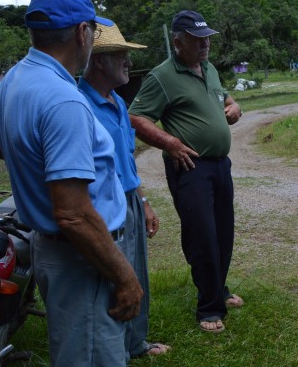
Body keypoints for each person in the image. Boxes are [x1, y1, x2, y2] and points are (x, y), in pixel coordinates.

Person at [0, 0, 142, 366]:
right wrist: (125, 278)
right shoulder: (64, 100)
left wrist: (30, 158)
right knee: (92, 356)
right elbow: (74, 214)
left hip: (57, 249)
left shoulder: (18, 78)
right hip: (82, 257)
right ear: (83, 33)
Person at [128, 10, 243, 333]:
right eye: (197, 39)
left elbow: (225, 98)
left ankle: (217, 289)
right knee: (201, 235)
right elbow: (136, 118)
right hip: (190, 166)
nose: (205, 43)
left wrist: (234, 107)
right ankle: (209, 309)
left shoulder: (208, 68)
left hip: (221, 164)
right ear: (178, 42)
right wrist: (170, 143)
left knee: (223, 232)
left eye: (207, 37)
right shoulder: (162, 76)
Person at [79, 22, 171, 358]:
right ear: (99, 61)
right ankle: (114, 350)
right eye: (121, 56)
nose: (128, 63)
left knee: (137, 272)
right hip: (104, 205)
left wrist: (144, 200)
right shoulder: (80, 107)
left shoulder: (117, 102)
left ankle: (135, 344)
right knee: (115, 276)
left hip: (129, 198)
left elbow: (126, 162)